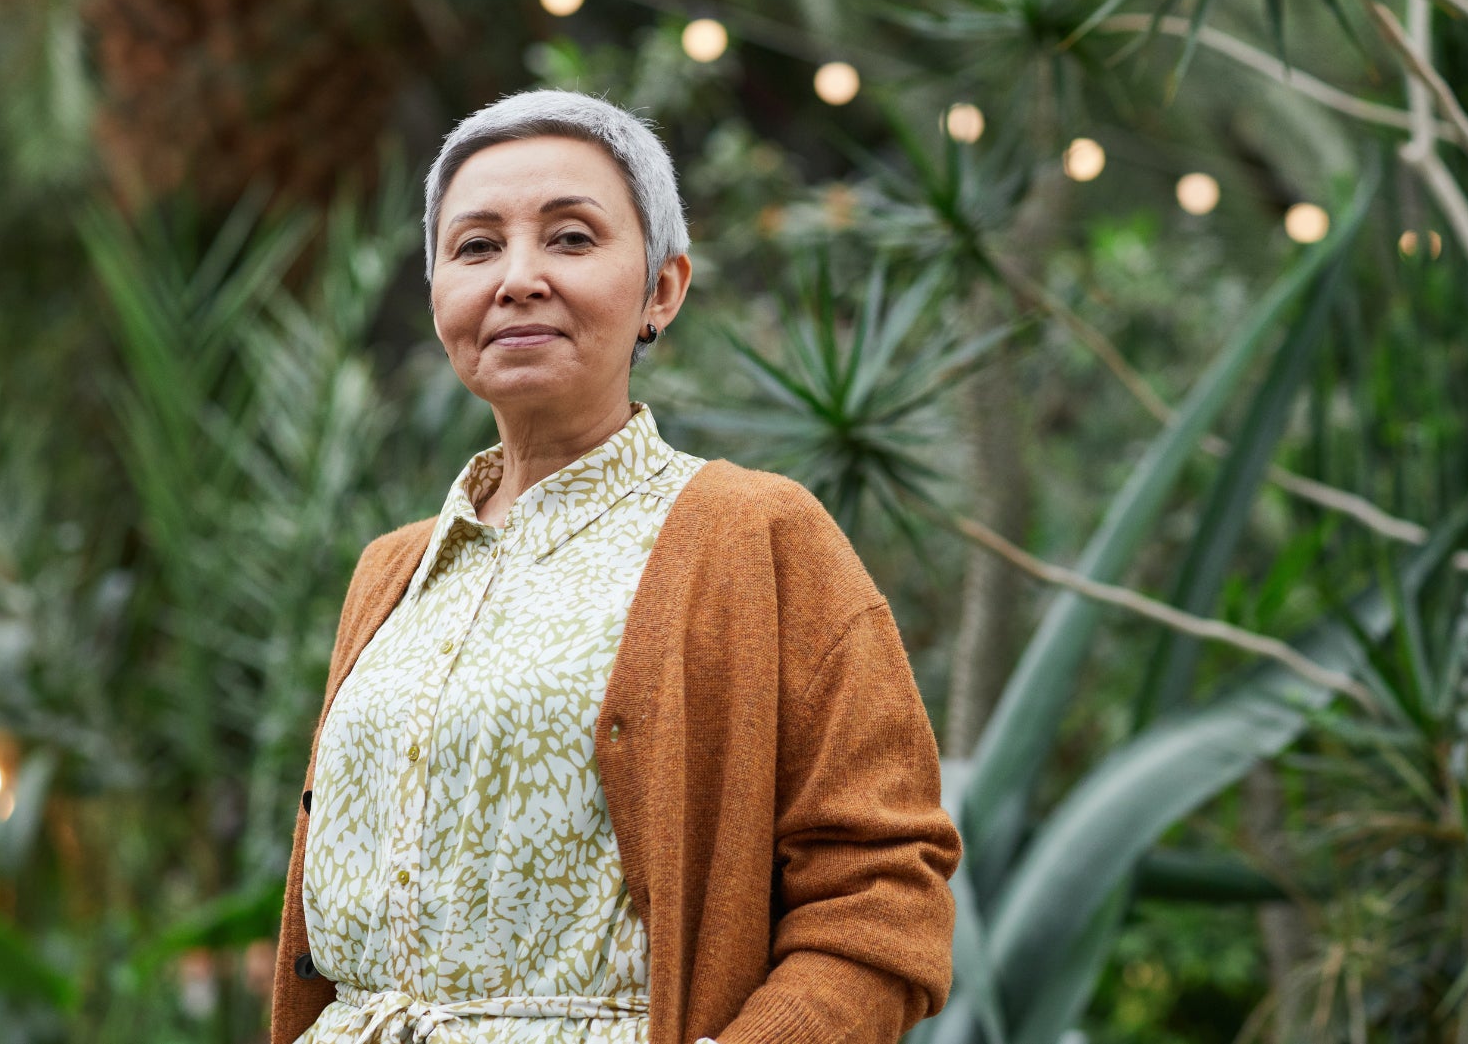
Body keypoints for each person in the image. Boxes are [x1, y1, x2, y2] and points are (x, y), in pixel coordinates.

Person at [268, 89, 962, 1044]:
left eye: (571, 238)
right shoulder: (391, 572)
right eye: (475, 247)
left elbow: (883, 886)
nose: (517, 278)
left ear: (663, 289)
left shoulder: (755, 534)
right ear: (437, 295)